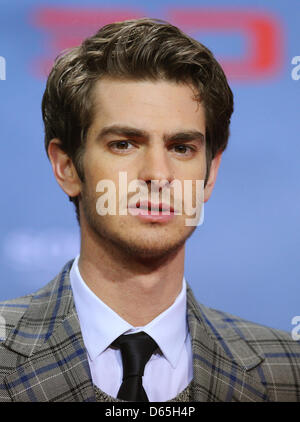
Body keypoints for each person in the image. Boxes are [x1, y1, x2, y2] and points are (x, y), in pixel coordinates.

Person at [0, 18, 299, 403]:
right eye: (124, 144)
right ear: (67, 167)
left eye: (181, 148)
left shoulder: (287, 371)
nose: (158, 174)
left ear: (210, 174)